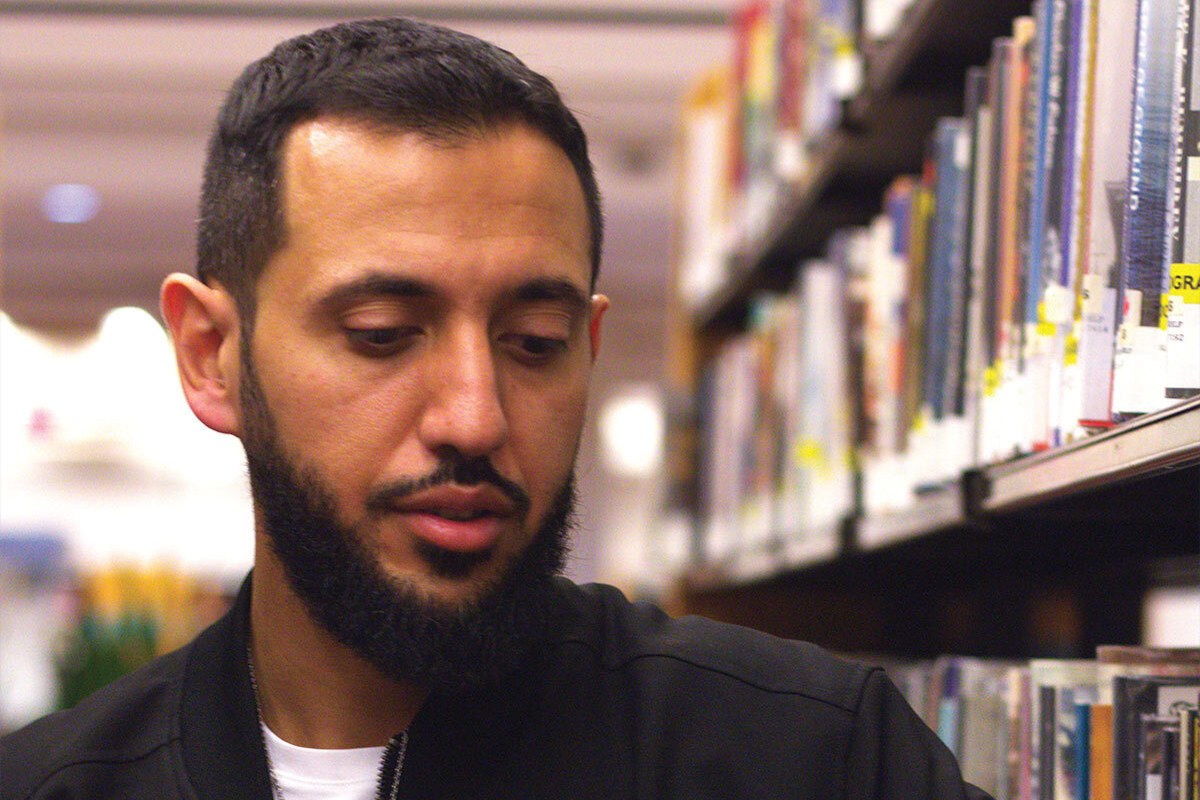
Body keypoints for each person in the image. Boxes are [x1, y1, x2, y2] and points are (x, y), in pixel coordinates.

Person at [1, 18, 990, 800]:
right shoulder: (53, 782)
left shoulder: (811, 755)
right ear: (213, 357)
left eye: (534, 344)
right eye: (383, 332)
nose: (476, 417)